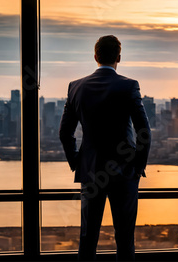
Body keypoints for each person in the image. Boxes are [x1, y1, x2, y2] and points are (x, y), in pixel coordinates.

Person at [59, 35, 151, 261]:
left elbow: (65, 133)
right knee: (125, 239)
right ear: (119, 57)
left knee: (87, 238)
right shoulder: (129, 86)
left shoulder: (75, 87)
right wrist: (138, 167)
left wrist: (77, 162)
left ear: (95, 57)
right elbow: (144, 132)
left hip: (90, 171)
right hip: (125, 171)